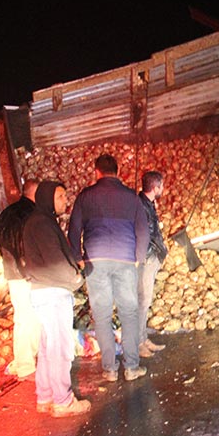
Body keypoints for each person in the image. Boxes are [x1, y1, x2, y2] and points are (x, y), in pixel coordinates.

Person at [68, 154, 149, 382]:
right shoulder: (131, 198)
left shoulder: (86, 197)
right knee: (129, 314)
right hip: (125, 260)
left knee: (102, 316)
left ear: (97, 172)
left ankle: (110, 370)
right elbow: (143, 230)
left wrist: (78, 257)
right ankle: (132, 368)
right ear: (119, 170)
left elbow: (73, 229)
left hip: (96, 261)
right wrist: (138, 258)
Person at [21, 180, 89, 417]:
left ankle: (46, 395)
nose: (65, 201)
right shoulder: (42, 224)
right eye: (60, 197)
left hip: (43, 291)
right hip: (53, 293)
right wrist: (76, 278)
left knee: (48, 347)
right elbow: (55, 261)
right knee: (60, 347)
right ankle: (63, 401)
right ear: (48, 198)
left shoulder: (39, 222)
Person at [0, 178, 40, 380]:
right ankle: (25, 366)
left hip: (12, 272)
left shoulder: (6, 213)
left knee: (24, 317)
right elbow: (27, 245)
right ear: (35, 194)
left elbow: (0, 241)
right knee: (27, 318)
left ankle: (30, 359)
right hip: (27, 273)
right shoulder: (31, 214)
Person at [137, 170, 168, 357]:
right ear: (155, 188)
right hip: (146, 259)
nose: (163, 189)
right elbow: (145, 235)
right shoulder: (142, 206)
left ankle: (143, 338)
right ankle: (138, 343)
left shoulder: (148, 204)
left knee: (145, 301)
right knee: (142, 301)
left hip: (150, 258)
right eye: (161, 186)